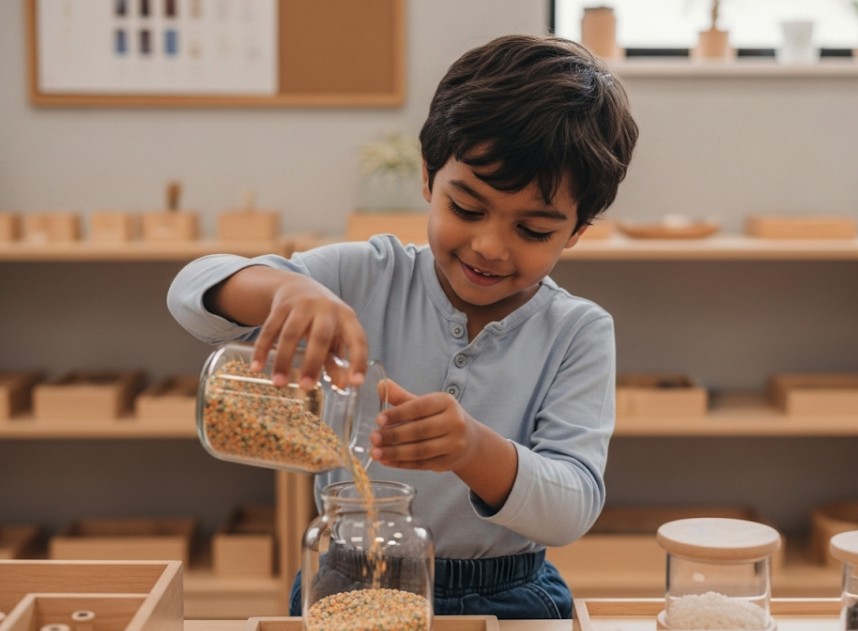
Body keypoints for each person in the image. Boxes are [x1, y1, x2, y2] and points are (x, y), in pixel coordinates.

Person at [168, 34, 638, 619]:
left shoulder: (577, 332)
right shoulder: (362, 275)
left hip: (510, 593)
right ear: (428, 177)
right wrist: (286, 289)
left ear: (575, 231)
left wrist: (473, 448)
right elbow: (189, 291)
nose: (490, 246)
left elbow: (571, 508)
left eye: (534, 231)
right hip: (349, 578)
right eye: (466, 208)